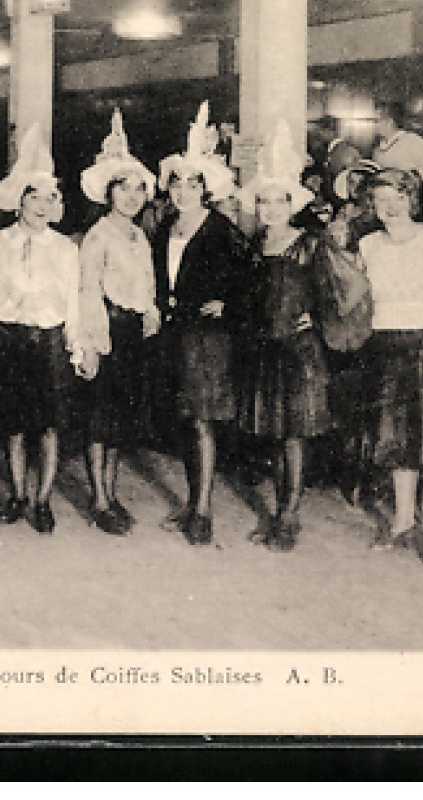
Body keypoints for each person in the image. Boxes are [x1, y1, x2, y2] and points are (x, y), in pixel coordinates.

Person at [0, 124, 91, 534]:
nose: (43, 204)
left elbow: (73, 303)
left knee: (49, 426)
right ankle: (17, 494)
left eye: (51, 197)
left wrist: (77, 347)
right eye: (34, 195)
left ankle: (43, 499)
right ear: (19, 201)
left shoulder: (66, 250)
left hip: (50, 343)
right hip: (8, 342)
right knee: (13, 424)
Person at [235, 124, 347, 552]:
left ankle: (289, 514)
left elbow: (338, 291)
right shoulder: (256, 244)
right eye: (262, 201)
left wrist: (315, 321)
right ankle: (282, 506)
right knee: (273, 433)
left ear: (291, 204)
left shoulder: (312, 243)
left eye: (278, 200)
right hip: (265, 349)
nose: (269, 207)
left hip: (298, 352)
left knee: (293, 436)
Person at [152, 102, 252, 547]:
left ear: (205, 189)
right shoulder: (166, 228)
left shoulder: (220, 230)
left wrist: (228, 305)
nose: (184, 191)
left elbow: (251, 279)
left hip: (207, 340)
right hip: (176, 333)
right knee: (186, 421)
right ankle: (194, 503)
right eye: (178, 183)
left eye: (193, 184)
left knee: (202, 422)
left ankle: (204, 511)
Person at [359, 168, 423, 565]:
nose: (389, 206)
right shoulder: (367, 245)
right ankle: (403, 523)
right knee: (397, 440)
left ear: (411, 199)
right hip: (386, 347)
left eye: (397, 197)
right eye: (381, 198)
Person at [75, 110, 162, 536]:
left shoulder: (138, 234)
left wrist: (149, 312)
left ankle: (111, 491)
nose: (131, 195)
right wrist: (91, 342)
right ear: (108, 194)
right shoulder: (99, 235)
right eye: (122, 188)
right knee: (100, 420)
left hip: (130, 334)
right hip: (106, 331)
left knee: (118, 423)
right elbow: (88, 290)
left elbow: (145, 285)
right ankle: (99, 500)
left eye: (138, 188)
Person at [371, 102, 423, 183]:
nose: (373, 125)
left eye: (376, 121)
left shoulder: (412, 140)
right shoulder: (377, 148)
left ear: (389, 121)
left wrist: (406, 176)